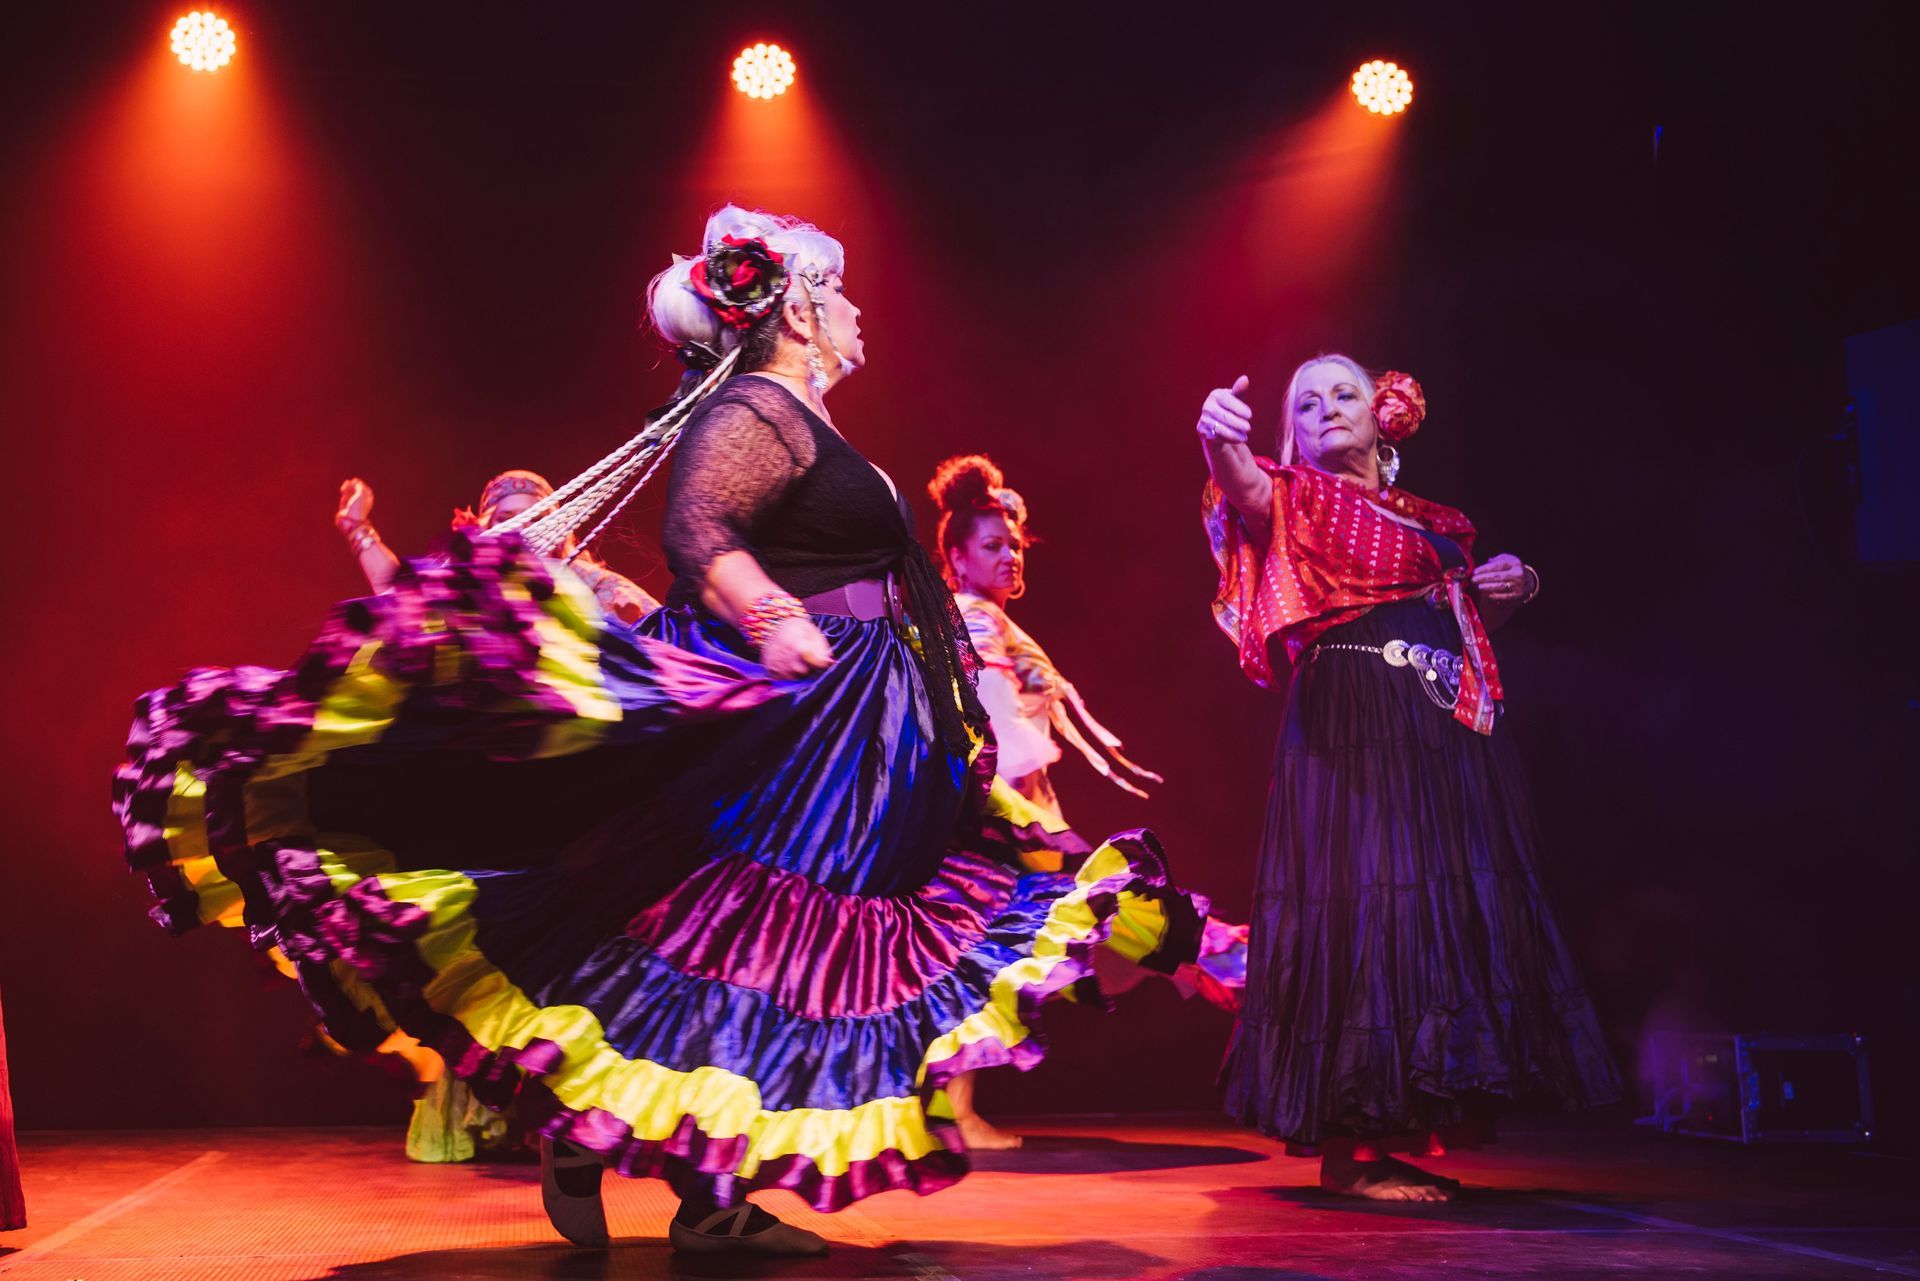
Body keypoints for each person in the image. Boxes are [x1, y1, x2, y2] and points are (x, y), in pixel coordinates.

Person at [113, 205, 1205, 1257]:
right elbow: (698, 529)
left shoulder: (803, 418)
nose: (858, 309)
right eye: (838, 289)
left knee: (770, 952)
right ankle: (661, 1172)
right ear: (797, 310)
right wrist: (773, 620)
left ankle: (669, 1174)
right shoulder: (756, 414)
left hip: (863, 726)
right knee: (752, 944)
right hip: (802, 723)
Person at [1194, 357, 1620, 1202]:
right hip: (1353, 723)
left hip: (1439, 729)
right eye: (1305, 403)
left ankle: (1401, 1120)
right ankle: (1352, 1149)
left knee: (1431, 919)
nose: (1324, 411)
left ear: (1381, 414)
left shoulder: (1432, 523)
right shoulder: (1291, 495)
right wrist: (1218, 439)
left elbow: (1464, 613)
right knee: (1371, 909)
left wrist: (1510, 584)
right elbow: (1241, 489)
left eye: (1342, 393)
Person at [928, 455, 1247, 1150]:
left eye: (1014, 543)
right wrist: (1033, 828)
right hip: (1003, 815)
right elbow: (992, 725)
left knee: (1000, 957)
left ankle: (1218, 966)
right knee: (1023, 946)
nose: (1011, 555)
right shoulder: (976, 622)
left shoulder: (986, 620)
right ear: (956, 555)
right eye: (993, 545)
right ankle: (1231, 968)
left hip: (1011, 812)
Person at [335, 470, 659, 624]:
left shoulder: (589, 581)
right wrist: (357, 526)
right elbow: (396, 595)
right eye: (507, 517)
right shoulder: (469, 584)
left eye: (534, 516)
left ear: (558, 527)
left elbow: (659, 631)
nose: (521, 528)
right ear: (487, 527)